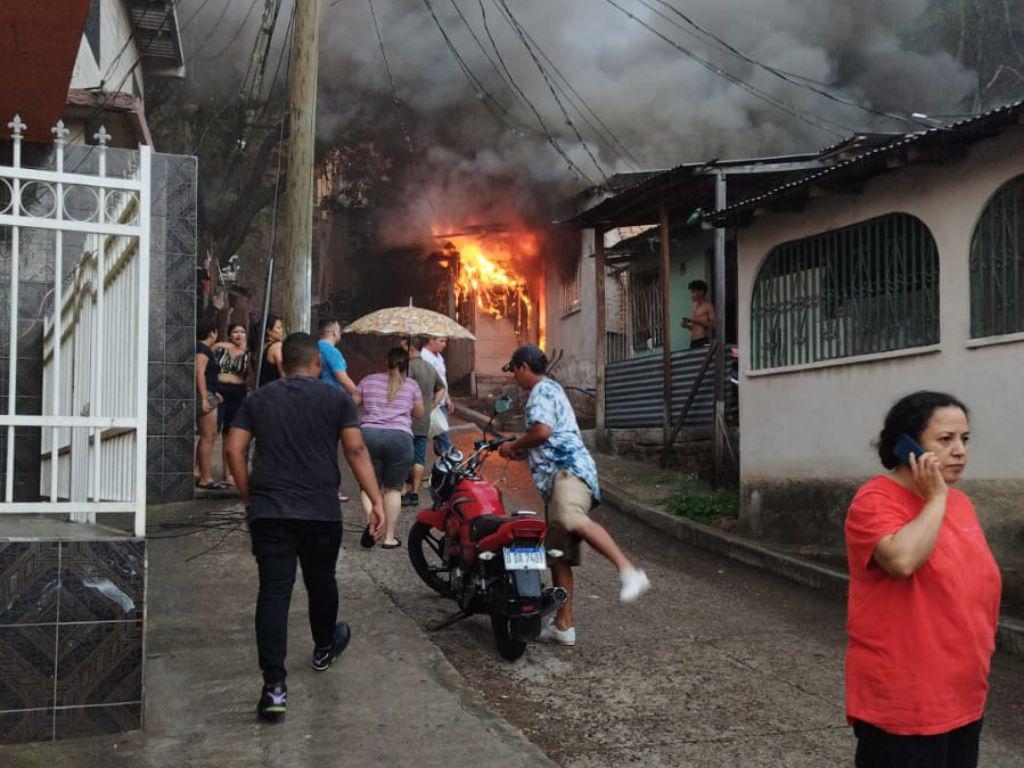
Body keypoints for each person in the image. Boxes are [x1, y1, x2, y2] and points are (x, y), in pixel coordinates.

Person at [224, 333, 385, 722]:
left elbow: (233, 449)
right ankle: (323, 648)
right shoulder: (335, 398)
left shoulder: (259, 398)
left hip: (270, 510)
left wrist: (249, 495)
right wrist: (376, 500)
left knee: (274, 593)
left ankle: (274, 687)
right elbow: (356, 449)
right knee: (321, 581)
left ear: (283, 363)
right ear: (317, 364)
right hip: (319, 510)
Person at [844, 391, 1001, 768]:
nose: (960, 451)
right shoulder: (875, 500)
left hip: (963, 695)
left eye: (965, 439)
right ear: (907, 444)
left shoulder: (959, 503)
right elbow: (902, 560)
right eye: (945, 440)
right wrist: (934, 500)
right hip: (905, 703)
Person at [498, 344, 650, 646]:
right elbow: (546, 438)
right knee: (559, 556)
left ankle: (629, 571)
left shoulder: (540, 391)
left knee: (570, 517)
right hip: (558, 480)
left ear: (524, 367)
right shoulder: (552, 389)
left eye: (514, 371)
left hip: (568, 473)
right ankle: (564, 625)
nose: (514, 378)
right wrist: (521, 450)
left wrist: (514, 445)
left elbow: (541, 432)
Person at [352, 347, 423, 549]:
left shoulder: (369, 380)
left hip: (369, 436)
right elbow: (419, 413)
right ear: (405, 366)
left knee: (369, 486)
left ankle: (372, 526)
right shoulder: (411, 385)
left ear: (386, 363)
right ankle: (389, 537)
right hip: (400, 439)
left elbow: (352, 403)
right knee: (393, 489)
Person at [403, 335, 446, 507]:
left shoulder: (407, 367)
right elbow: (441, 388)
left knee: (404, 455)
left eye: (403, 344)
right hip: (424, 419)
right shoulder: (429, 367)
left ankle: (403, 492)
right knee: (419, 456)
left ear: (409, 346)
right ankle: (415, 494)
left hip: (407, 418)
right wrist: (433, 404)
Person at [213, 323, 252, 485]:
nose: (239, 335)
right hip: (220, 390)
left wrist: (245, 351)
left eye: (242, 332)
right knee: (212, 432)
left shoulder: (248, 353)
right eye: (235, 332)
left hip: (238, 392)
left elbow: (251, 377)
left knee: (230, 435)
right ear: (229, 334)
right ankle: (200, 471)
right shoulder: (219, 347)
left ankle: (228, 473)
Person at [194, 318, 225, 490]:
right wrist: (205, 397)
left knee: (210, 435)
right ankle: (205, 477)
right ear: (212, 332)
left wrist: (214, 392)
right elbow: (199, 373)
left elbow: (207, 377)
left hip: (210, 393)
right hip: (204, 396)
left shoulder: (203, 349)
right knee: (209, 435)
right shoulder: (203, 350)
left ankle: (200, 472)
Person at [420, 335, 452, 456]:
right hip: (433, 403)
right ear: (430, 340)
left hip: (441, 401)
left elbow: (442, 379)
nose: (444, 344)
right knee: (442, 436)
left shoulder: (438, 356)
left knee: (442, 434)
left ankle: (443, 463)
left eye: (445, 341)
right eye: (441, 341)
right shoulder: (424, 357)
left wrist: (447, 397)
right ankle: (448, 463)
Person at [316, 318, 358, 396]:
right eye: (339, 330)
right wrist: (359, 395)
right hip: (331, 395)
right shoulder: (331, 352)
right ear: (335, 332)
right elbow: (343, 379)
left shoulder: (314, 347)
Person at [680, 279, 715, 349]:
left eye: (693, 292)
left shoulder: (707, 305)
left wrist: (695, 320)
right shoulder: (696, 307)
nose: (691, 295)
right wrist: (686, 325)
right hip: (693, 341)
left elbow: (713, 324)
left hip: (702, 340)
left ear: (701, 292)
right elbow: (695, 328)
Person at [258, 315, 285, 387]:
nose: (282, 330)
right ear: (269, 331)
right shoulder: (277, 346)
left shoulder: (261, 347)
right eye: (279, 328)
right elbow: (283, 373)